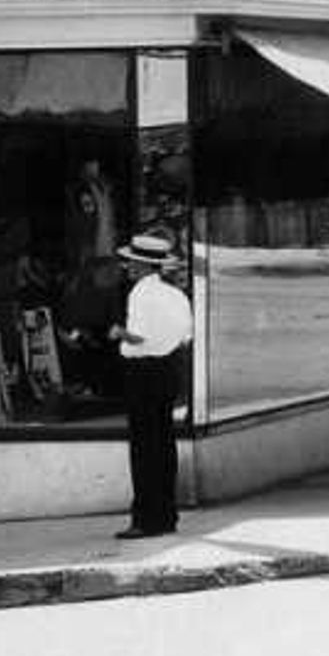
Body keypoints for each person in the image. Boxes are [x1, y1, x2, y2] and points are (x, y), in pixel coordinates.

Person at [114, 227, 192, 539]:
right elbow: (186, 336)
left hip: (143, 371)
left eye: (133, 263)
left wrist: (118, 334)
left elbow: (139, 337)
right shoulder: (175, 295)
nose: (129, 268)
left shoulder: (141, 294)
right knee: (164, 444)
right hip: (168, 368)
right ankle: (166, 515)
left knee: (144, 447)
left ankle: (145, 518)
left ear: (145, 266)